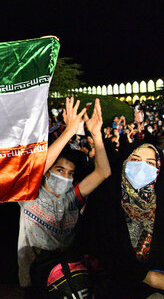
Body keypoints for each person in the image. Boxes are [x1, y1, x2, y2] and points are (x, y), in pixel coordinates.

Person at [17, 97, 111, 293]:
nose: (65, 177)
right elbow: (34, 170)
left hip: (65, 280)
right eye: (60, 170)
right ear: (48, 171)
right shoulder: (30, 194)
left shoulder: (72, 199)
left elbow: (103, 172)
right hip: (34, 281)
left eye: (70, 173)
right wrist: (68, 131)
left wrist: (96, 134)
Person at [78, 142, 164, 298]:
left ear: (159, 169)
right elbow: (98, 248)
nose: (142, 167)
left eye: (150, 163)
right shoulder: (105, 198)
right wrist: (146, 276)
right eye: (136, 160)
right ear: (124, 162)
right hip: (112, 290)